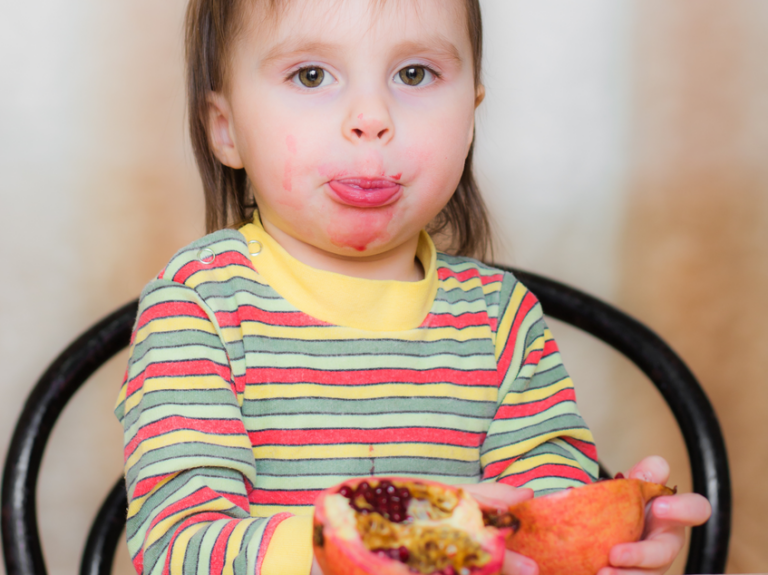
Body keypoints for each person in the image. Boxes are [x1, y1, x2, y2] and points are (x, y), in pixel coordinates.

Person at [114, 1, 711, 574]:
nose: (371, 118)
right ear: (226, 129)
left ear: (472, 113)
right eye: (312, 74)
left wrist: (604, 542)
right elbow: (177, 547)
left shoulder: (501, 321)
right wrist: (371, 539)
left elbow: (539, 524)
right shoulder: (198, 309)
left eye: (414, 73)